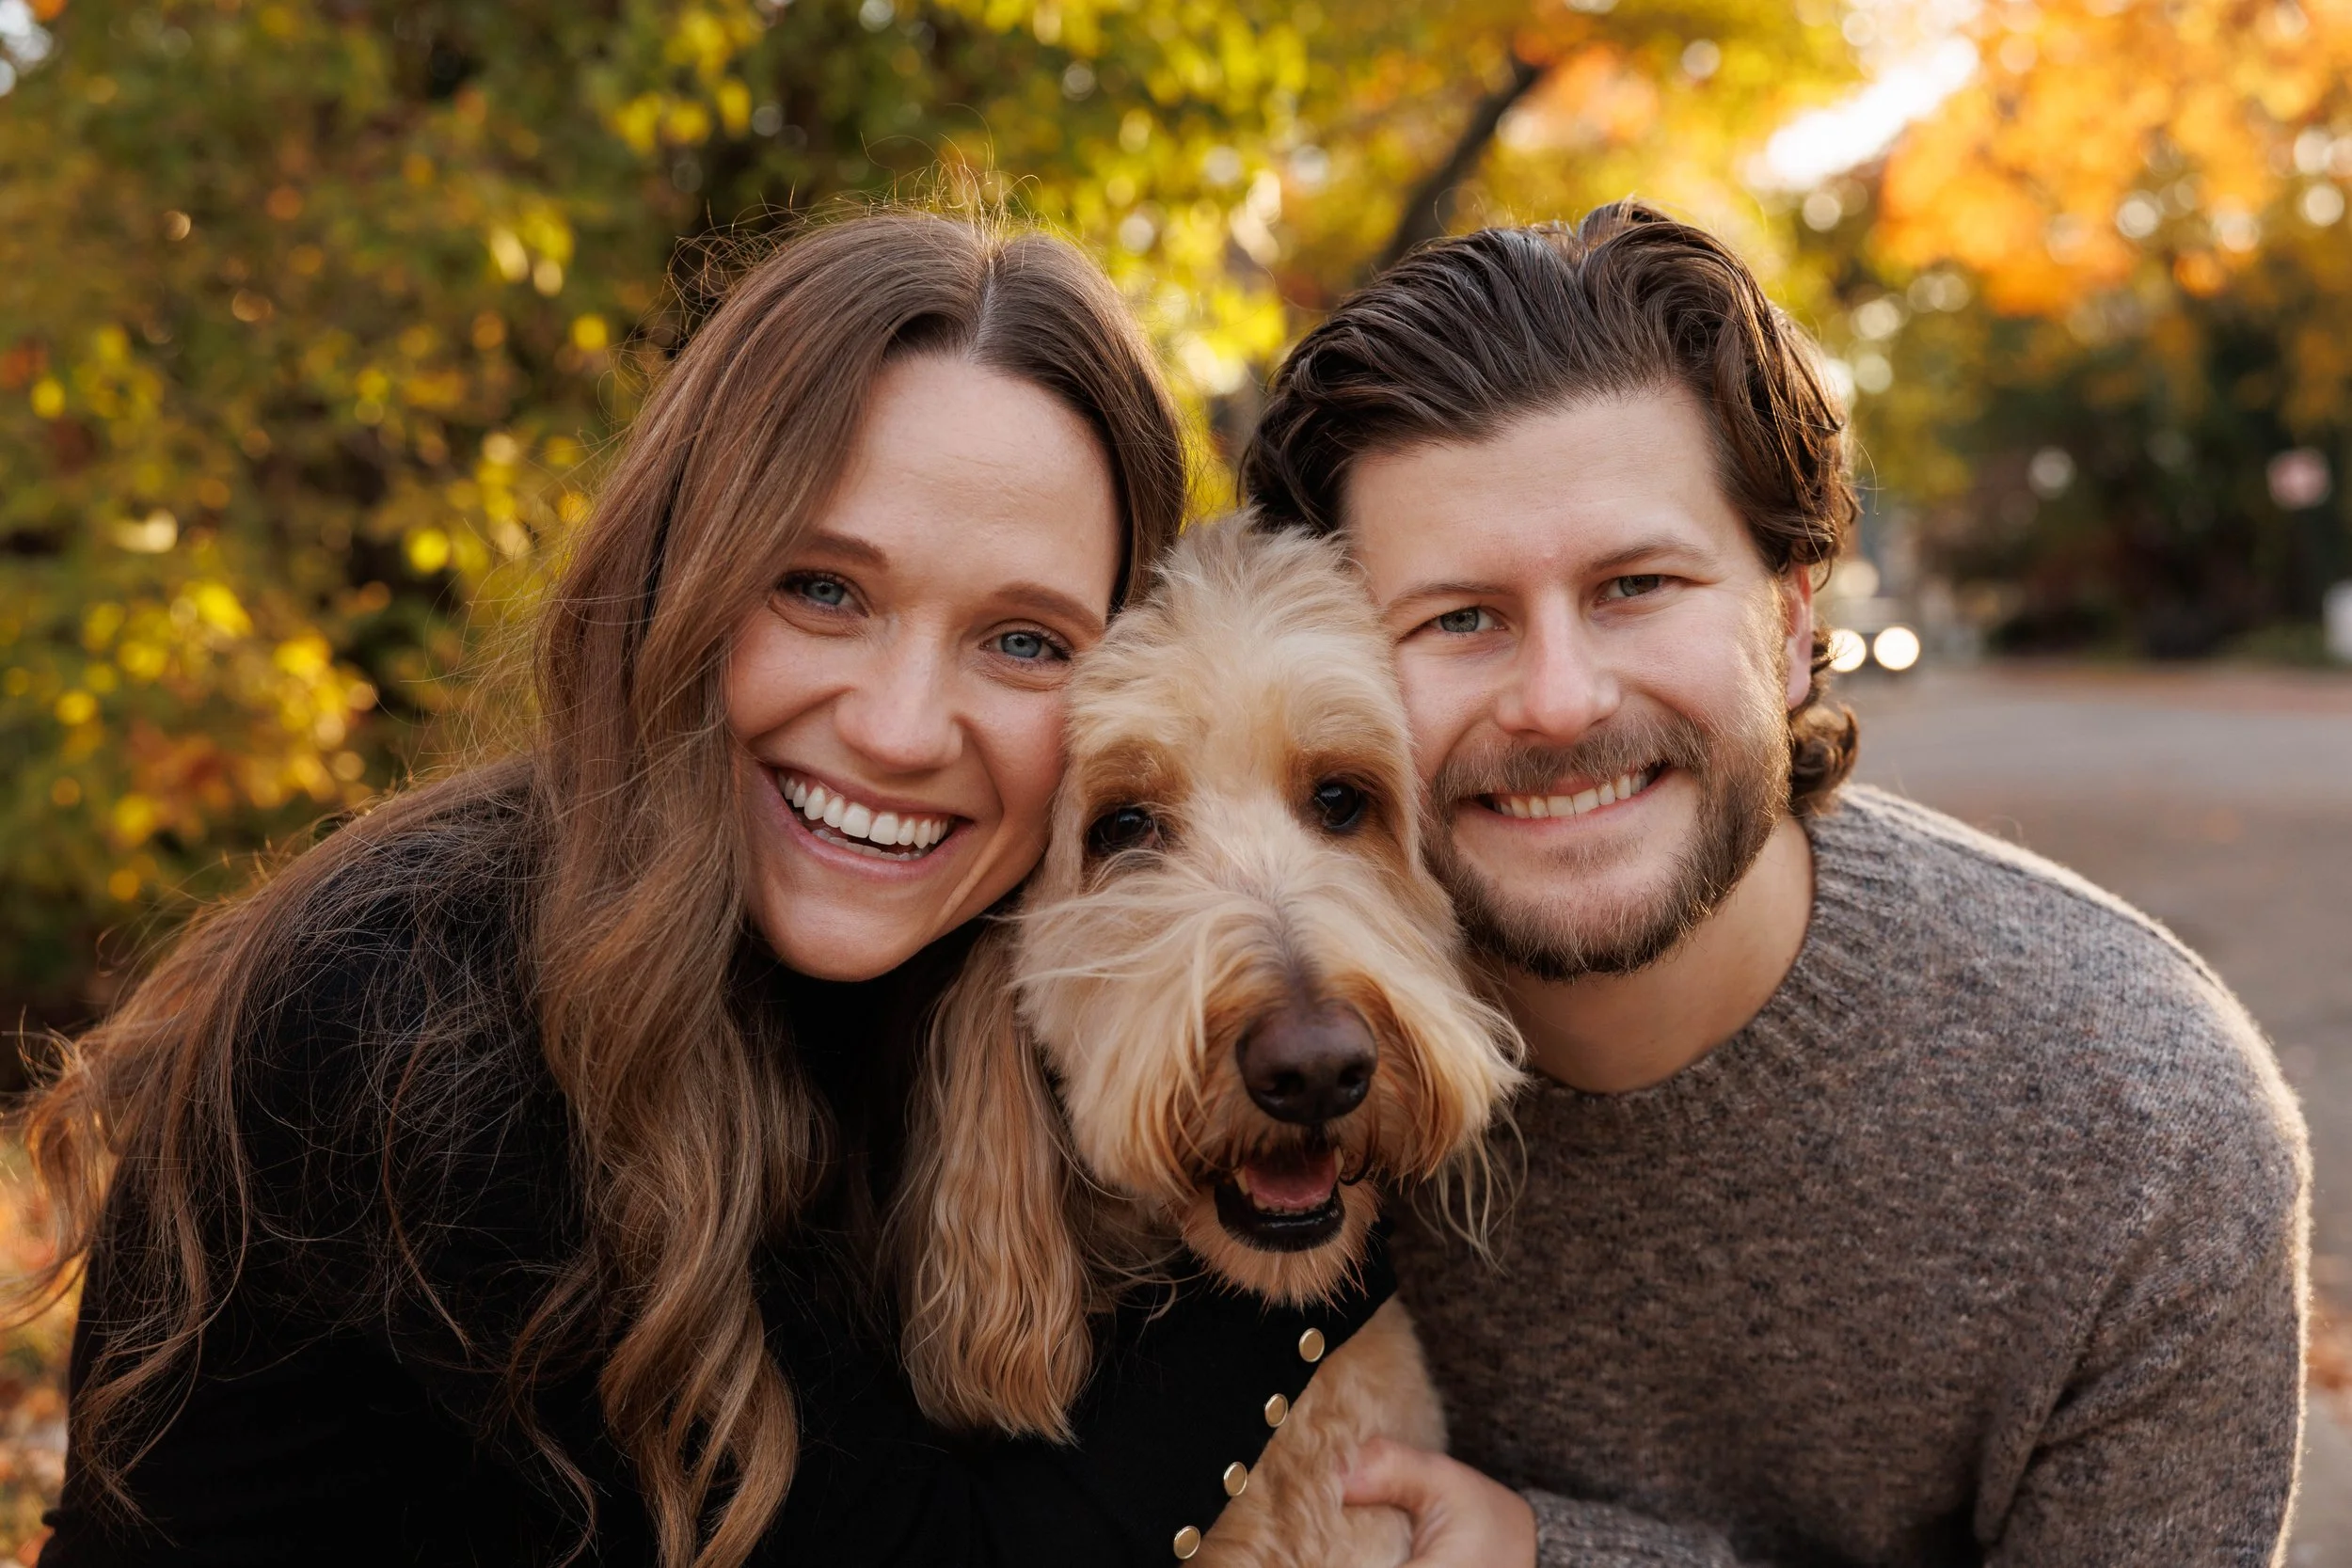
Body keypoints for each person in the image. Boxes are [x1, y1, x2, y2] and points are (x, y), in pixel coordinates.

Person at [18, 212, 1388, 1568]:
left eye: (1024, 639)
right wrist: (1360, 1160)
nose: (903, 727)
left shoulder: (951, 986)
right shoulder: (418, 1013)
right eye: (823, 590)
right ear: (679, 582)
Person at [1243, 201, 2311, 1566]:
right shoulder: (1256, 1064)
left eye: (1636, 585)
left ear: (1795, 619)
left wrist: (1552, 1555)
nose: (1560, 700)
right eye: (1458, 618)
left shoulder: (2138, 1130)